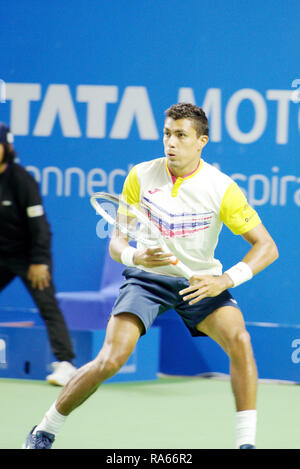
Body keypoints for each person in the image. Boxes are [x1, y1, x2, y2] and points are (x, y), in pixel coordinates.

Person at [23, 103, 278, 449]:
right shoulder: (141, 176)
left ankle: (246, 444)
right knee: (111, 358)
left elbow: (266, 246)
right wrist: (135, 255)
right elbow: (117, 242)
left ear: (201, 141)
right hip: (147, 280)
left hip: (198, 283)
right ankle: (44, 430)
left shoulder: (222, 188)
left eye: (181, 135)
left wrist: (225, 280)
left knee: (241, 342)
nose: (171, 143)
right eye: (167, 134)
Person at [0, 122, 76, 386]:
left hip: (28, 256)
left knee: (47, 304)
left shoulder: (22, 180)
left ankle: (66, 364)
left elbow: (40, 226)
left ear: (6, 148)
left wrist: (40, 261)